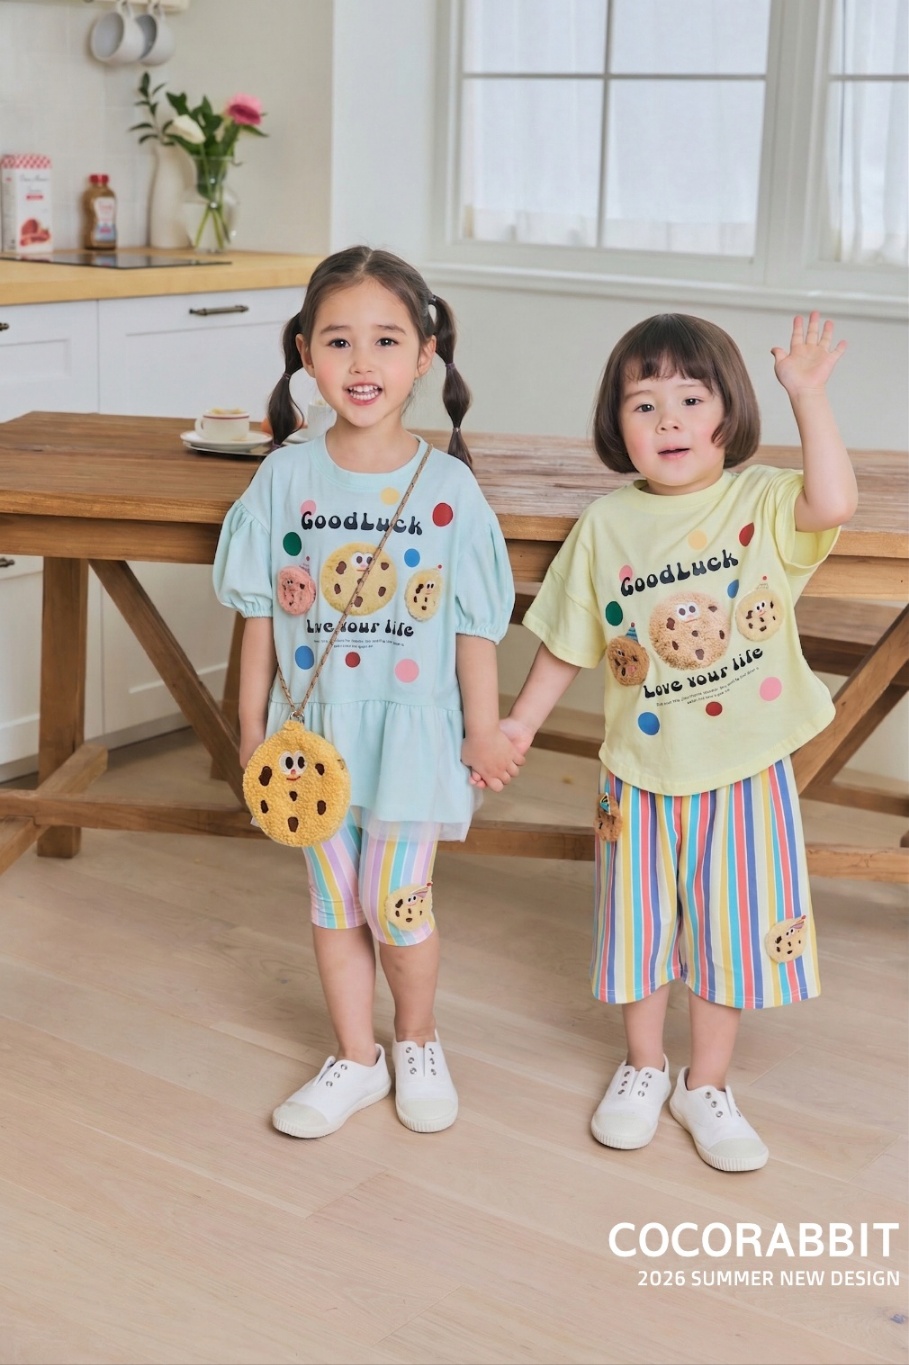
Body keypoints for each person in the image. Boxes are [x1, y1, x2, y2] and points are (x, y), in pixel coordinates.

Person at [498, 311, 856, 1171]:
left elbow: (834, 502)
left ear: (727, 412)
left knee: (731, 930)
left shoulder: (760, 501)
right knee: (637, 930)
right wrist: (518, 723)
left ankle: (706, 1083)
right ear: (615, 425)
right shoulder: (604, 525)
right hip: (638, 776)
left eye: (690, 399)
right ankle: (644, 1065)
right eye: (643, 403)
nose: (668, 419)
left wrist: (807, 395)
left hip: (745, 774)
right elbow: (567, 641)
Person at [213, 245, 522, 1139]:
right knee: (331, 900)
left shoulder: (449, 487)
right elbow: (261, 614)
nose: (361, 362)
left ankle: (416, 1038)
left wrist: (483, 729)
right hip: (311, 740)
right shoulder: (283, 477)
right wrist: (248, 729)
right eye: (338, 340)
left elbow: (472, 625)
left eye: (386, 340)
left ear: (423, 356)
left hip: (414, 736)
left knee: (398, 903)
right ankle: (356, 1055)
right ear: (305, 353)